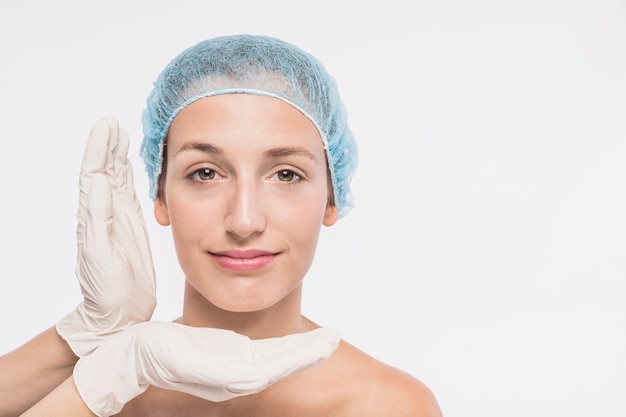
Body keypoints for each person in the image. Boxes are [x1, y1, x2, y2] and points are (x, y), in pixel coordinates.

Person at [1, 34, 442, 417]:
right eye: (205, 173)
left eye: (286, 174)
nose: (244, 220)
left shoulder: (389, 408)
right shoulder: (95, 390)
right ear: (160, 196)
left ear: (331, 198)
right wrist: (86, 347)